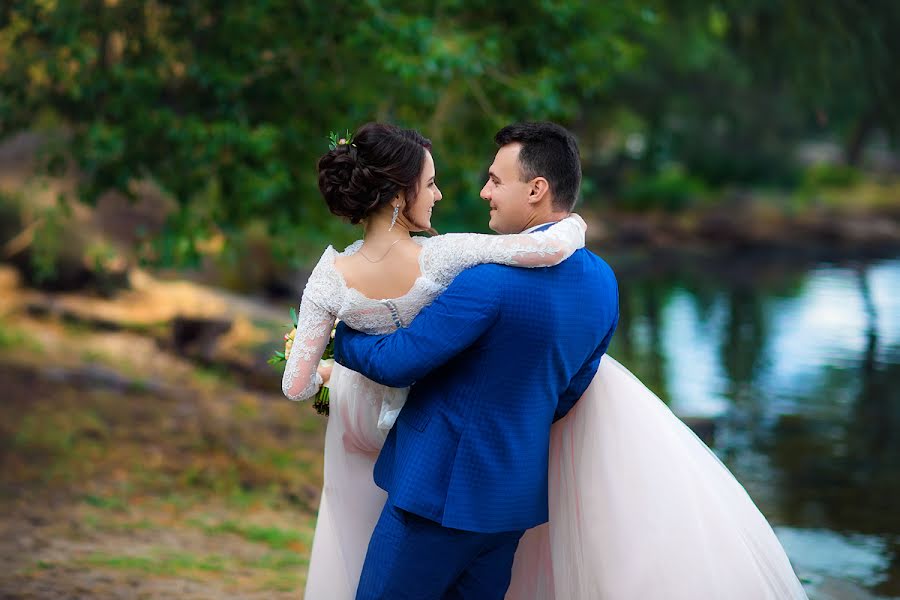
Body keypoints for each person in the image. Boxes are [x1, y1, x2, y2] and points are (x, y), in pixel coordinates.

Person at [334, 123, 809, 599]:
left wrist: (342, 334)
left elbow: (397, 362)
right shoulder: (602, 283)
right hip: (508, 504)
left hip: (434, 493)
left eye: (497, 181)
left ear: (537, 189)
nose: (485, 192)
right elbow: (567, 393)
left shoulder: (487, 281)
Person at [280, 122, 589, 599]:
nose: (440, 195)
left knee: (358, 546)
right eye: (430, 184)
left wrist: (327, 355)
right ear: (401, 196)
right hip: (428, 439)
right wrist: (574, 224)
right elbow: (544, 248)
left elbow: (295, 387)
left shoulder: (326, 278)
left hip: (367, 433)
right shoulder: (445, 256)